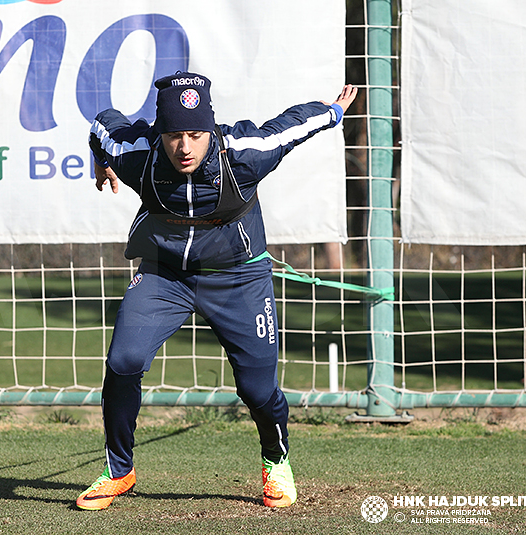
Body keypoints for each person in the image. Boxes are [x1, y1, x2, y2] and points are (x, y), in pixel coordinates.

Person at [77, 71, 357, 511]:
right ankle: (118, 471)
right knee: (123, 361)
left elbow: (290, 127)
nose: (184, 147)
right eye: (172, 135)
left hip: (238, 278)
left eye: (194, 134)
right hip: (164, 275)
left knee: (258, 390)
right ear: (160, 133)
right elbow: (102, 124)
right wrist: (99, 159)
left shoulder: (243, 156)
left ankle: (275, 460)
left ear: (209, 128)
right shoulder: (138, 156)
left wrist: (333, 111)